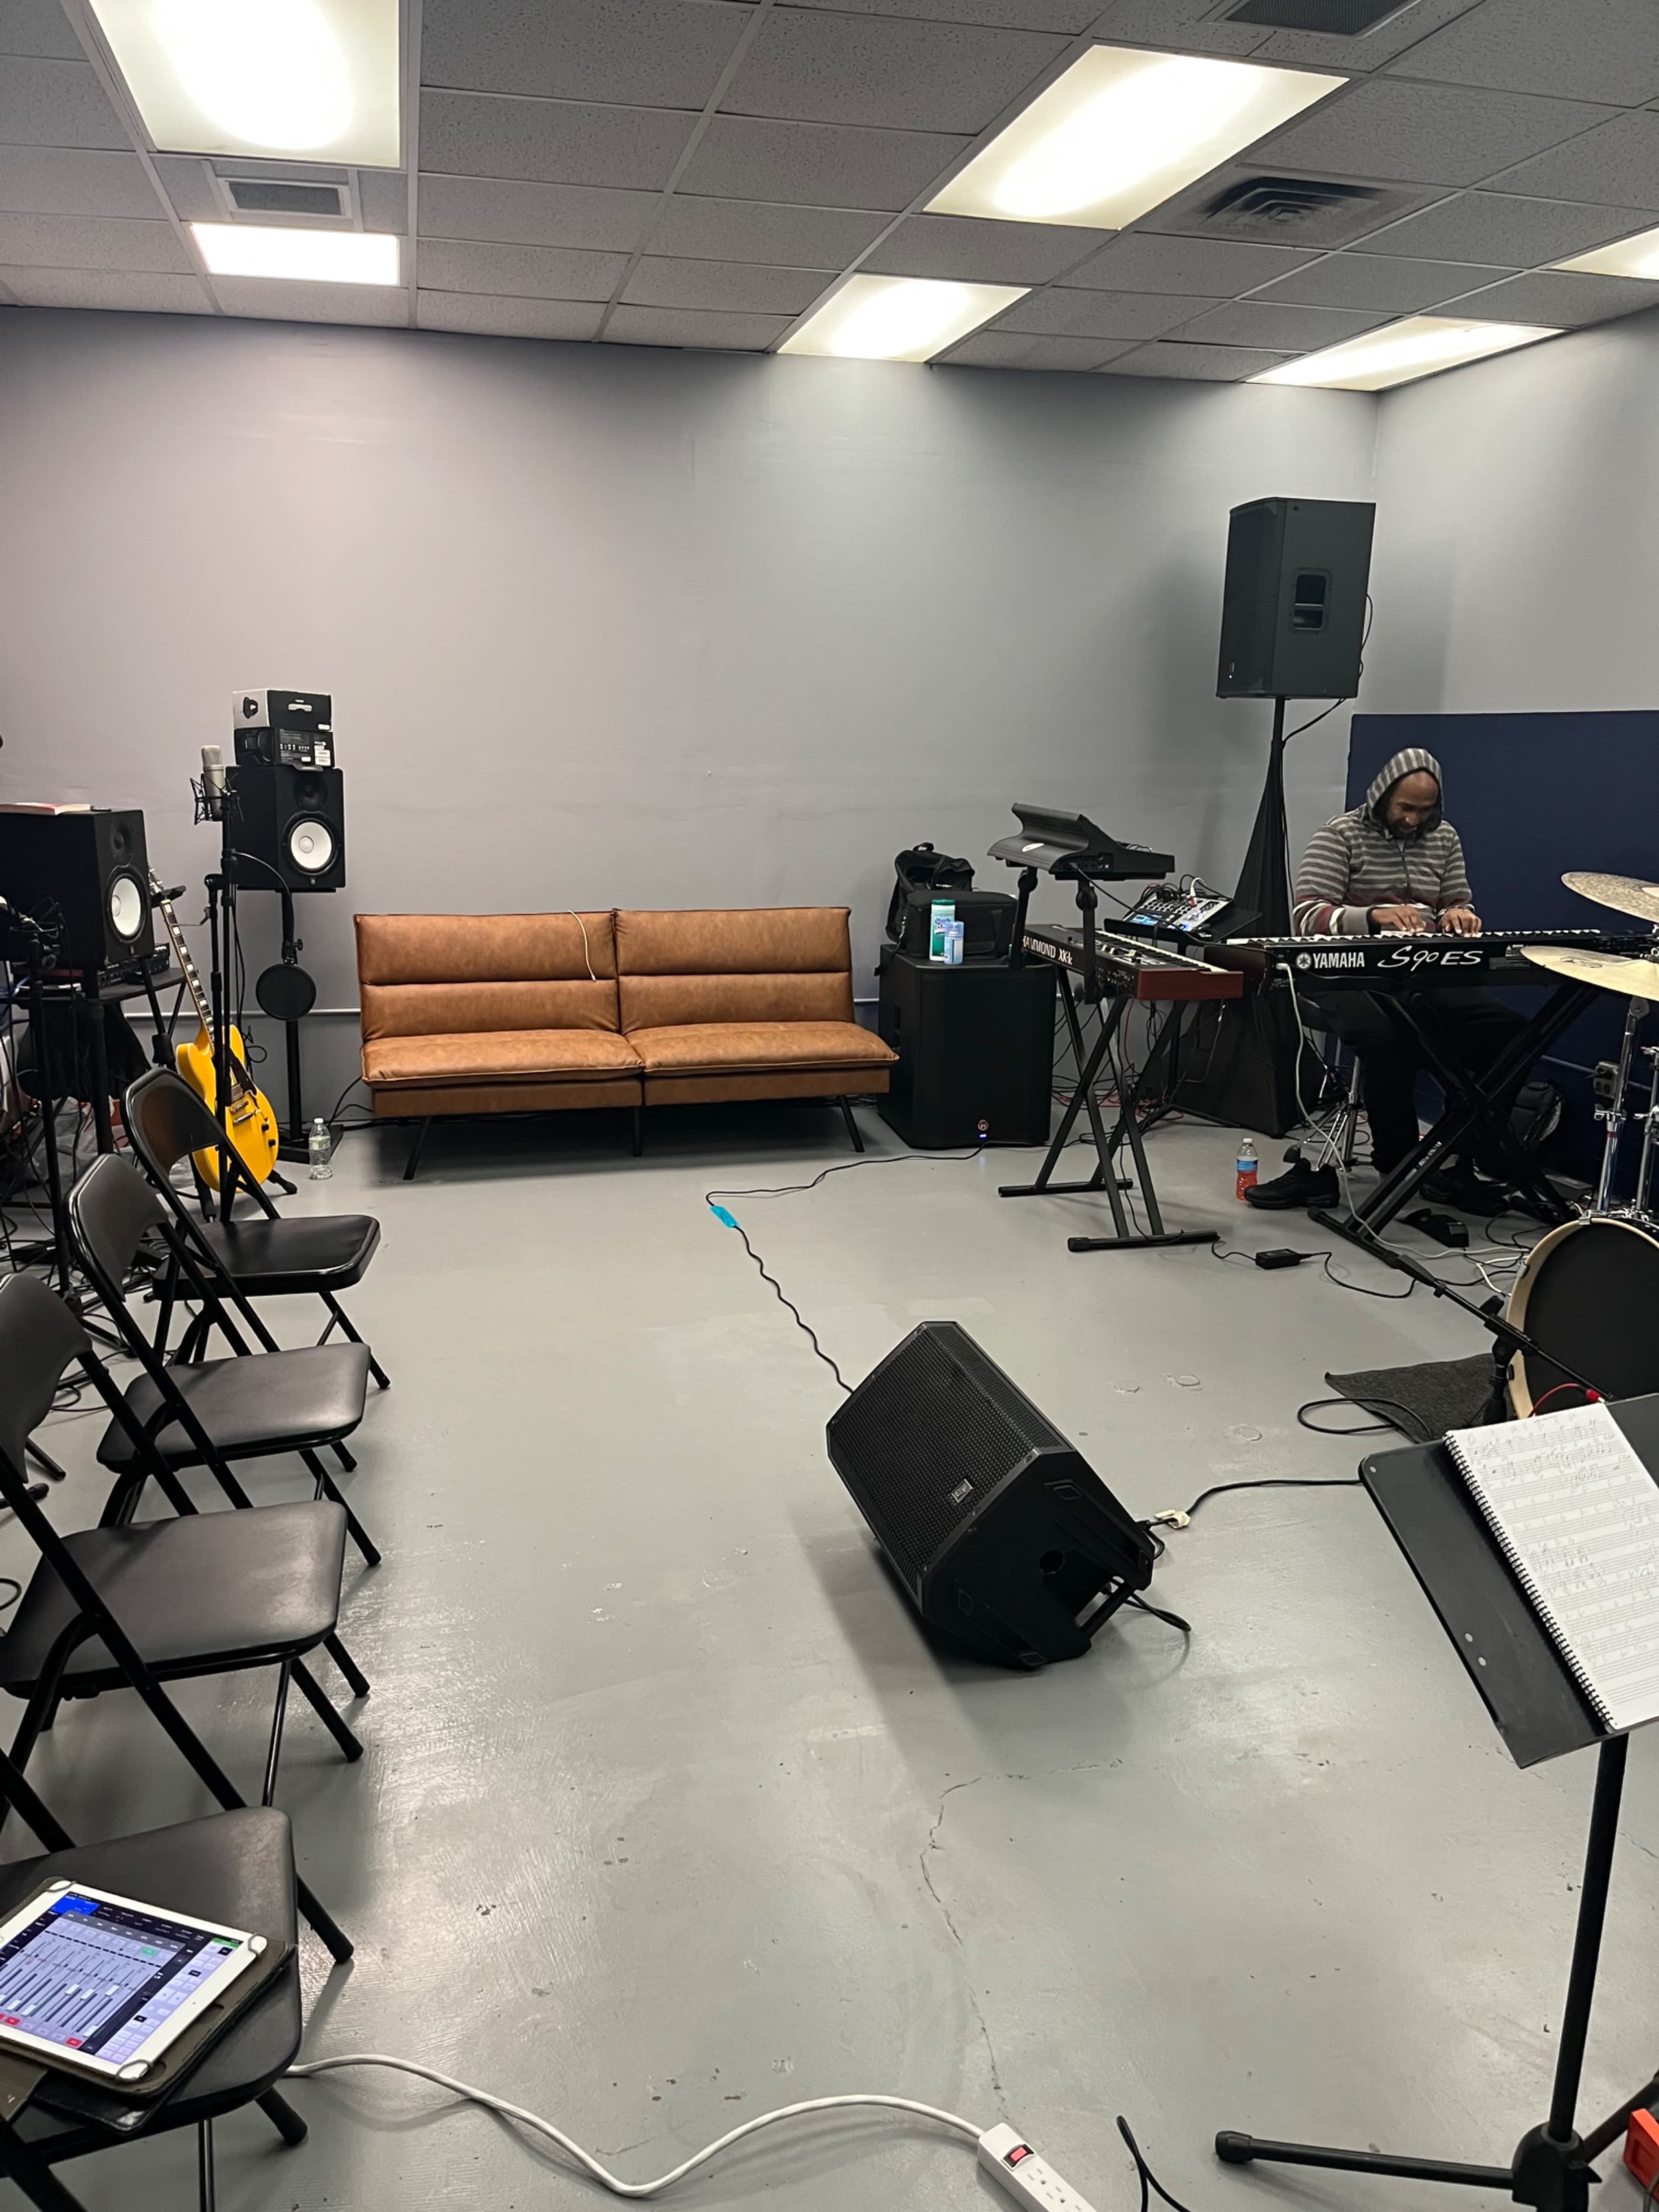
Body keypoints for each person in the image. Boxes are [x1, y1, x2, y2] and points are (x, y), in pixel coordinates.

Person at [1248, 747, 1525, 1211]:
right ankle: (1396, 1161)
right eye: (1406, 808)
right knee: (1388, 1037)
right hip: (1342, 970)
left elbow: (1458, 899)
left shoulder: (1446, 838)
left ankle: (1460, 1152)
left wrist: (1459, 914)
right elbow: (1306, 917)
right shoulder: (1340, 835)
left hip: (1420, 970)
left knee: (1513, 1036)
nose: (1415, 820)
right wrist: (1373, 916)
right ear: (1381, 797)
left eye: (1426, 810)